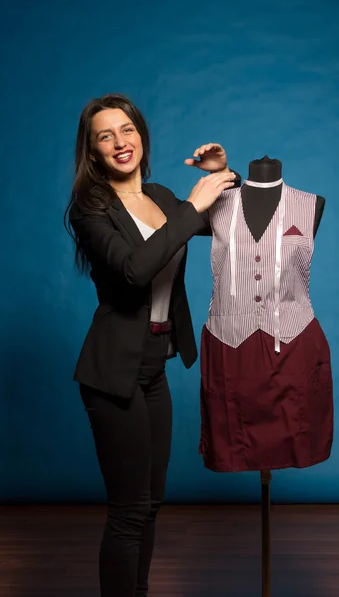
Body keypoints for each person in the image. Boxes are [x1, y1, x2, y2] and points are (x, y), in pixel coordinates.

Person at [64, 93, 239, 597]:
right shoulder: (90, 209)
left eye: (127, 129)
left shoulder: (162, 196)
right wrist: (192, 206)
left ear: (141, 134)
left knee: (153, 501)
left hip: (154, 370)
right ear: (93, 152)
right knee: (128, 509)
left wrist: (223, 175)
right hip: (112, 375)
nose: (120, 142)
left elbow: (228, 222)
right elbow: (134, 269)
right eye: (105, 135)